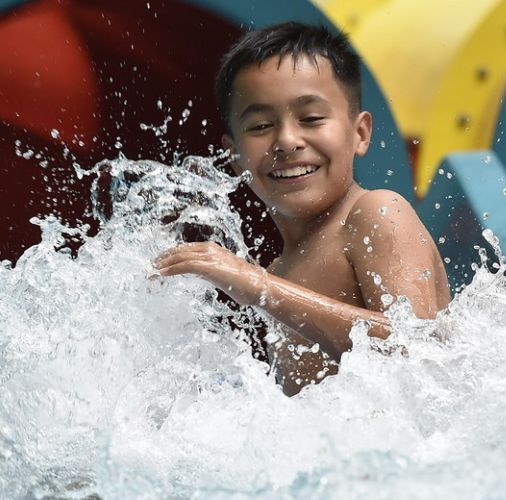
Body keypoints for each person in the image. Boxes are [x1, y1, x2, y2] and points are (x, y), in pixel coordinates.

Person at [153, 22, 451, 396]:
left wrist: (258, 287)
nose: (287, 141)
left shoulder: (375, 212)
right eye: (260, 125)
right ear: (233, 155)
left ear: (360, 134)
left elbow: (420, 351)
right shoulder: (280, 270)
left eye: (310, 118)